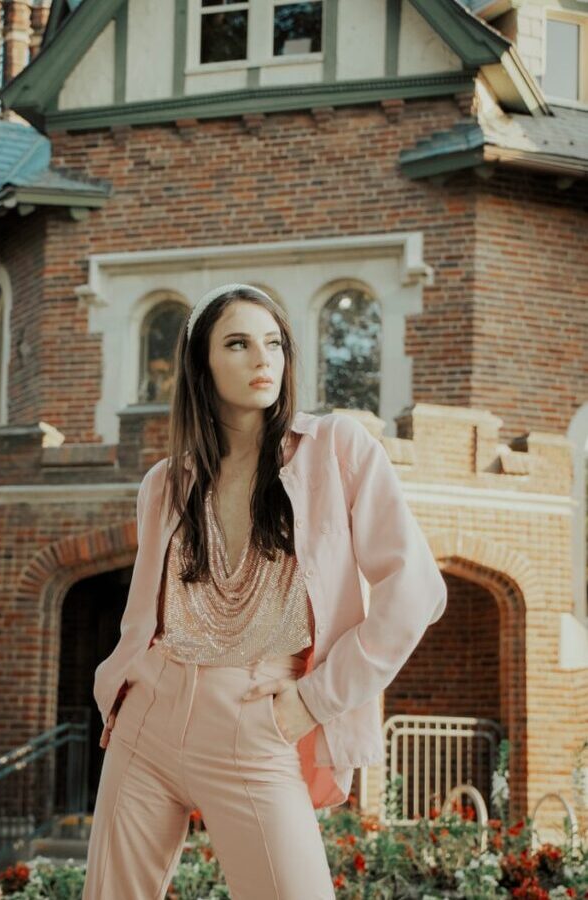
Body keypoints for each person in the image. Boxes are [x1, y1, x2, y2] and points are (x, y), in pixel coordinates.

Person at [82, 283, 448, 899]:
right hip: (147, 722)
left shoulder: (336, 449)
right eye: (238, 343)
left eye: (274, 343)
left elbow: (415, 590)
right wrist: (122, 685)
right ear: (202, 364)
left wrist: (315, 701)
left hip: (255, 722)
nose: (263, 359)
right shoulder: (164, 485)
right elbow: (145, 614)